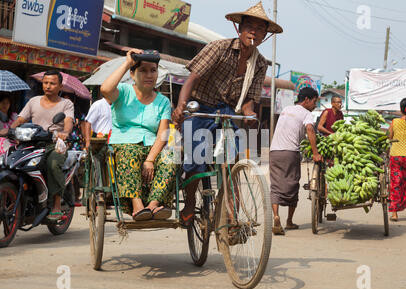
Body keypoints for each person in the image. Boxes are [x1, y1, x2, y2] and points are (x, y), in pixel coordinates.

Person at [171, 1, 283, 226]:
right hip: (201, 108)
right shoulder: (218, 48)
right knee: (196, 158)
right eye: (249, 26)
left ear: (264, 35)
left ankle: (232, 217)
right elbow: (192, 79)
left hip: (228, 113)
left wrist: (250, 114)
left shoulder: (260, 64)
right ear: (239, 29)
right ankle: (190, 201)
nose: (254, 31)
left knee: (233, 161)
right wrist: (181, 106)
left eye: (260, 29)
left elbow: (250, 99)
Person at [101, 49, 176, 221]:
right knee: (130, 152)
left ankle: (153, 205)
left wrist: (150, 159)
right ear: (133, 74)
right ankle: (137, 206)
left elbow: (162, 135)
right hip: (123, 145)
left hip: (152, 148)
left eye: (153, 70)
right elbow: (105, 89)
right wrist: (128, 62)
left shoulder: (163, 101)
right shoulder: (123, 92)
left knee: (172, 156)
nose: (149, 75)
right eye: (143, 70)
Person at [0, 70, 74, 220]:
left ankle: (56, 205)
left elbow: (68, 121)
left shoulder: (66, 103)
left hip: (54, 144)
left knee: (53, 164)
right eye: (45, 83)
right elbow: (20, 119)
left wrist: (65, 133)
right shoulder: (33, 101)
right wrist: (10, 131)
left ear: (60, 86)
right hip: (32, 142)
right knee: (10, 161)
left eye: (52, 83)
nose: (48, 86)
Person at [270, 87, 322, 235]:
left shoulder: (286, 109)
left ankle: (276, 215)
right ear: (306, 100)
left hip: (274, 151)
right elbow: (310, 130)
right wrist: (315, 153)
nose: (315, 105)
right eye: (314, 102)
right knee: (292, 184)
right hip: (290, 152)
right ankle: (289, 221)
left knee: (276, 185)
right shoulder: (306, 114)